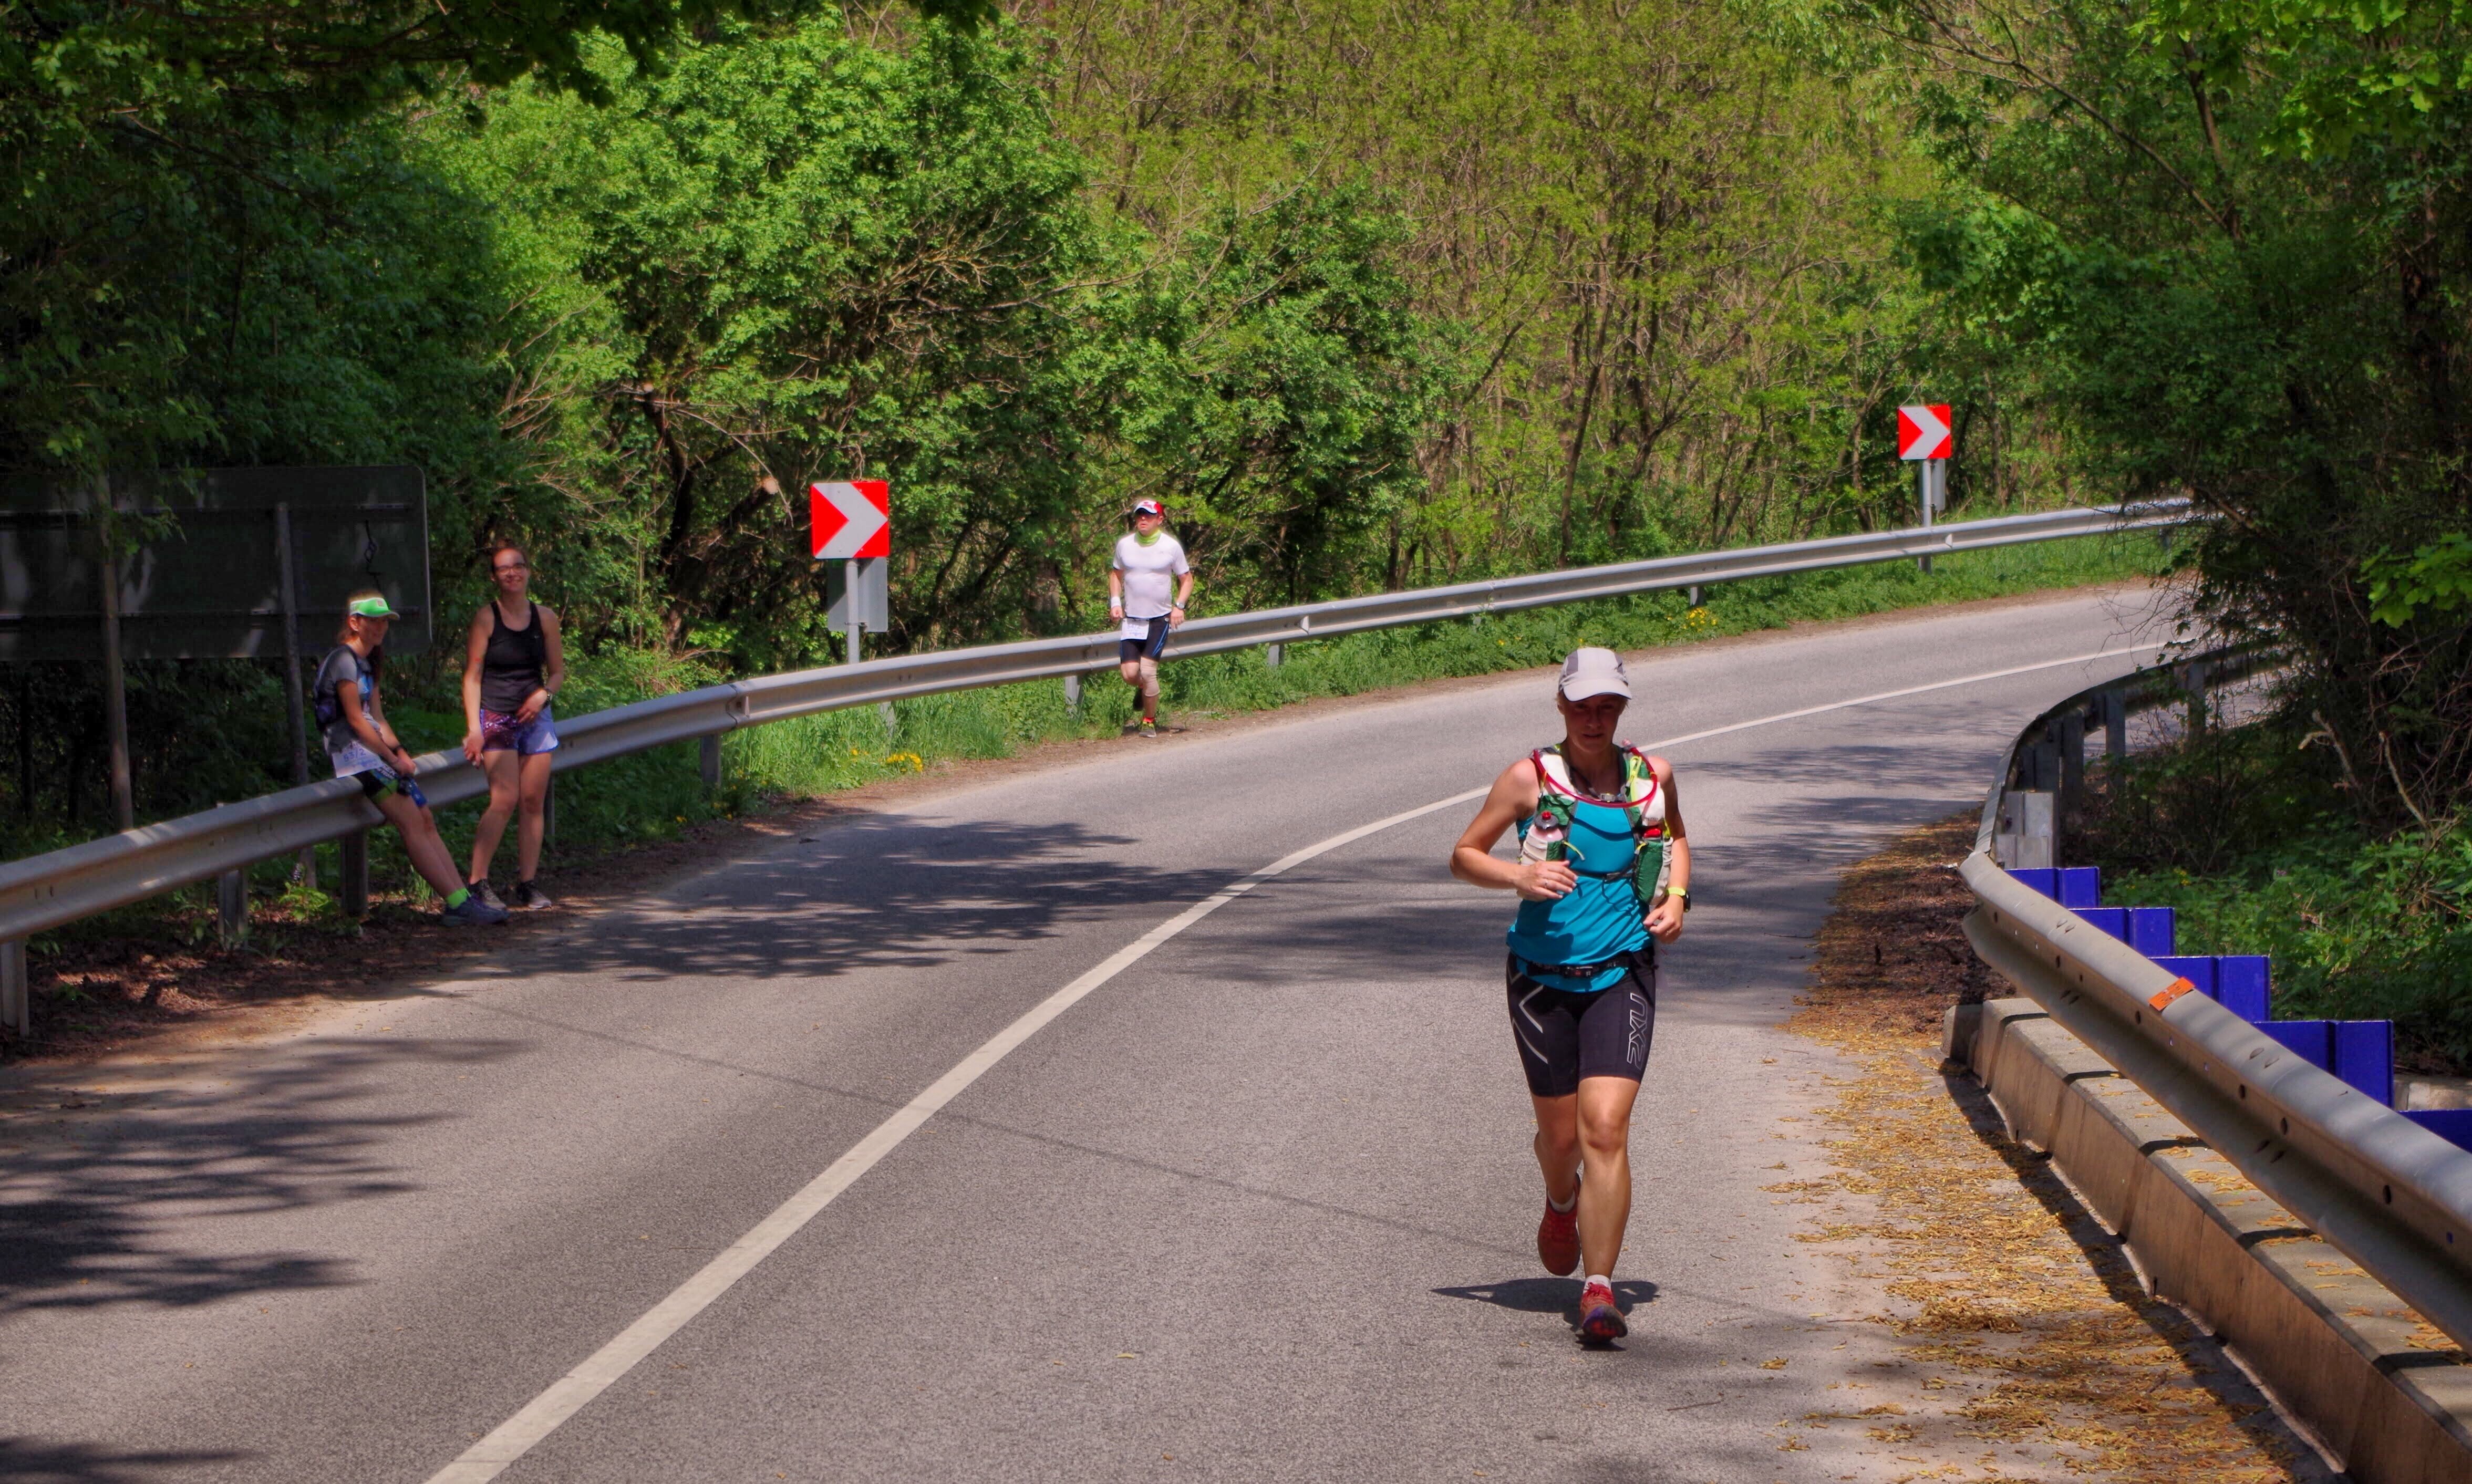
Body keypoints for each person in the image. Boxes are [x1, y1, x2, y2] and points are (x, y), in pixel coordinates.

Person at [1449, 647, 1690, 1343]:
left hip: (1624, 970)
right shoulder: (1529, 779)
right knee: (1560, 1139)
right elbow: (1463, 854)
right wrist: (1513, 879)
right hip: (1540, 980)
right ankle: (1561, 1199)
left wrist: (1676, 898)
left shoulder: (1652, 779)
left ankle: (1598, 1288)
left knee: (1604, 1129)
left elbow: (1676, 840)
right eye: (1582, 706)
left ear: (1620, 708)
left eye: (1607, 706)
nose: (1594, 718)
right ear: (1561, 705)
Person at [315, 591, 509, 926]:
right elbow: (357, 721)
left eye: (384, 622)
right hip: (354, 756)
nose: (379, 628)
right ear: (354, 623)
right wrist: (392, 759)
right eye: (372, 621)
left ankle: (462, 897)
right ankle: (457, 904)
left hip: (376, 754)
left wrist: (402, 754)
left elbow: (377, 716)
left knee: (425, 819)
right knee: (411, 824)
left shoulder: (369, 661)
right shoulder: (343, 659)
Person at [459, 544, 565, 911]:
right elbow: (472, 677)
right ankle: (476, 883)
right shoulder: (487, 618)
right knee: (504, 799)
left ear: (529, 571)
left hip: (535, 717)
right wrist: (475, 728)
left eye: (518, 566)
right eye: (504, 569)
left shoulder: (546, 618)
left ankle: (527, 883)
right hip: (497, 715)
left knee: (533, 800)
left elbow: (557, 672)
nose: (512, 573)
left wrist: (543, 696)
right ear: (494, 576)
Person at [1106, 498, 1192, 739]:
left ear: (1160, 520)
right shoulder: (1125, 545)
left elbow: (1187, 579)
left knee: (1147, 670)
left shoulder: (1171, 547)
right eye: (1139, 515)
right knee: (1130, 674)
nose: (1143, 520)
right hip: (1132, 619)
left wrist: (1179, 607)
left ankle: (1148, 720)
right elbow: (1115, 575)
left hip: (1159, 618)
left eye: (1149, 516)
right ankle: (1144, 690)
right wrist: (1115, 602)